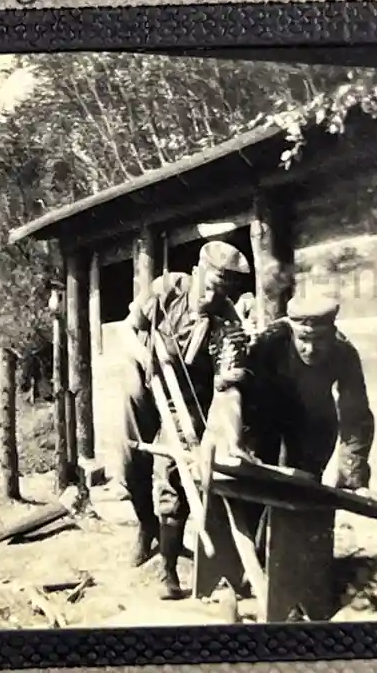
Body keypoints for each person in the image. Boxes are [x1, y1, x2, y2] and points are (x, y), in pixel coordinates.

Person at [116, 240, 252, 600]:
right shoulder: (168, 288)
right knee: (131, 457)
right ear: (198, 273)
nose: (212, 297)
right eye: (209, 286)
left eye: (222, 292)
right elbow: (127, 330)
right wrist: (142, 356)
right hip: (145, 368)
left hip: (188, 393)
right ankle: (146, 526)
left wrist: (233, 439)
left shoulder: (228, 322)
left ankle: (168, 566)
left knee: (176, 464)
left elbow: (229, 387)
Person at [201, 292, 376, 494]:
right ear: (293, 332)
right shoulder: (270, 342)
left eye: (319, 340)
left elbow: (356, 418)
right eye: (303, 339)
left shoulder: (344, 354)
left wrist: (351, 477)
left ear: (332, 332)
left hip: (312, 421)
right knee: (255, 485)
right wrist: (237, 445)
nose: (310, 349)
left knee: (304, 492)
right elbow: (236, 392)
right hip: (264, 416)